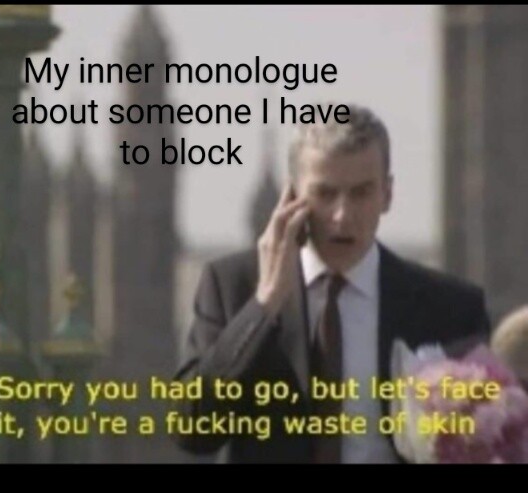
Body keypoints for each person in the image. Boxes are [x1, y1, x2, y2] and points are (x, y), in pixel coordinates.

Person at [172, 104, 491, 463]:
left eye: (361, 193)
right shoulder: (232, 287)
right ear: (292, 198)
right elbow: (191, 429)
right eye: (325, 194)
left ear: (387, 194)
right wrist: (265, 305)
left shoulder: (450, 307)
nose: (342, 215)